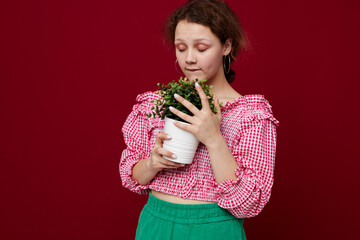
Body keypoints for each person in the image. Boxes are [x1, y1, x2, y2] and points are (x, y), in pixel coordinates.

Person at [119, 0, 280, 239]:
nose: (189, 59)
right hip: (155, 225)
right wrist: (152, 164)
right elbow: (130, 176)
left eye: (202, 48)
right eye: (181, 48)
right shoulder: (156, 105)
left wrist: (213, 137)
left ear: (226, 46)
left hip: (214, 229)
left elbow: (248, 203)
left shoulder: (250, 115)